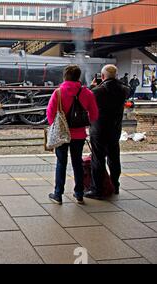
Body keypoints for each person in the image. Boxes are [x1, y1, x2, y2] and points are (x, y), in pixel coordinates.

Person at [47, 65, 99, 205]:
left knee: (61, 163)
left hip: (62, 135)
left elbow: (50, 114)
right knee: (77, 163)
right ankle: (79, 194)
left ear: (65, 76)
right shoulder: (87, 93)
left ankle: (58, 194)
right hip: (79, 135)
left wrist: (59, 127)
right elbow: (94, 115)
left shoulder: (58, 92)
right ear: (78, 77)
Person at [85, 65, 129, 200]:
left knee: (98, 159)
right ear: (116, 76)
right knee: (114, 157)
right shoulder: (124, 90)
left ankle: (97, 189)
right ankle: (115, 185)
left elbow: (87, 101)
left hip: (99, 130)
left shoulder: (97, 91)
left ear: (102, 77)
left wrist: (92, 86)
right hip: (115, 129)